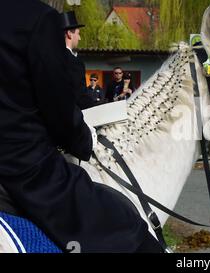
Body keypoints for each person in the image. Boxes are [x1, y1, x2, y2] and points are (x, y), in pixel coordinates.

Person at [0, 0, 162, 252]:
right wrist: (83, 140)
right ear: (69, 33)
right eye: (77, 31)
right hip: (21, 166)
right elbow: (58, 105)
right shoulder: (36, 17)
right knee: (126, 225)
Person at [62, 11, 95, 110]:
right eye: (78, 33)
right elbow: (79, 96)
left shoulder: (48, 58)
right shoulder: (74, 63)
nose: (79, 38)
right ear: (69, 34)